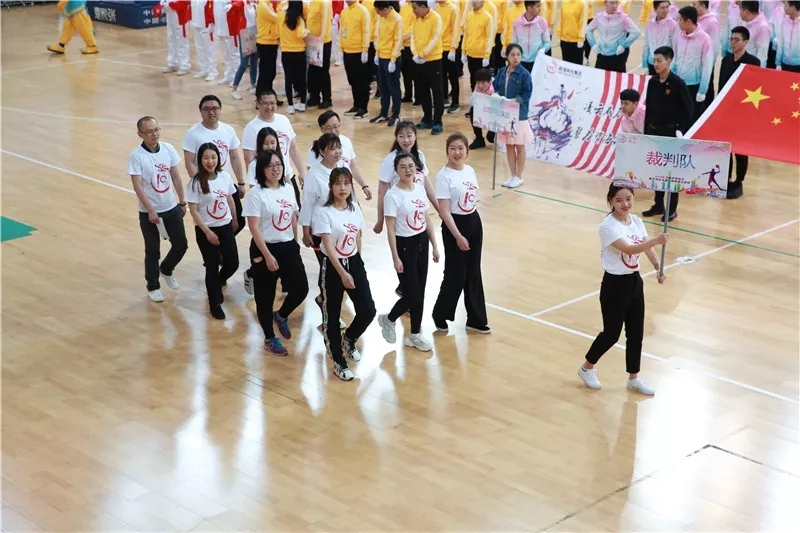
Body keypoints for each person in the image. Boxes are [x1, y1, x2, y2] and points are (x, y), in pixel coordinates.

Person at [578, 183, 668, 396]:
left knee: (636, 333)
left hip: (634, 281)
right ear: (611, 201)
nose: (625, 204)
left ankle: (633, 378)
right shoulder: (607, 227)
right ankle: (587, 368)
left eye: (628, 199)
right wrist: (657, 240)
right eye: (619, 200)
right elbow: (630, 249)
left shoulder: (636, 221)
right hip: (614, 285)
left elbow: (646, 247)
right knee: (611, 334)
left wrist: (657, 266)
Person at [243, 149, 309, 356]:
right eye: (270, 165)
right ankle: (269, 338)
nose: (275, 169)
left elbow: (293, 216)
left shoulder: (288, 188)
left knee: (301, 288)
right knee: (265, 296)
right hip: (265, 248)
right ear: (262, 169)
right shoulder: (256, 194)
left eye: (278, 164)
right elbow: (254, 228)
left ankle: (280, 315)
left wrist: (295, 241)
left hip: (288, 245)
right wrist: (267, 255)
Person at [315, 168, 377, 381]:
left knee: (368, 310)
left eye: (346, 183)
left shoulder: (354, 208)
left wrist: (357, 262)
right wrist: (342, 272)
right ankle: (338, 362)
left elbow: (358, 235)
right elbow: (328, 246)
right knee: (332, 317)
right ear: (331, 187)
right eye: (338, 184)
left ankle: (349, 339)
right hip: (333, 267)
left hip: (354, 261)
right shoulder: (324, 212)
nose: (342, 188)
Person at [378, 152, 440, 352]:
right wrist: (395, 257)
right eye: (403, 167)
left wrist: (434, 245)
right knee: (412, 294)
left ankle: (414, 335)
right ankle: (389, 319)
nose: (408, 170)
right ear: (396, 170)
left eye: (411, 166)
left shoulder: (419, 188)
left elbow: (426, 218)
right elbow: (390, 229)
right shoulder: (392, 196)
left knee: (420, 292)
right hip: (405, 246)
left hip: (422, 242)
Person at [431, 132, 490, 334]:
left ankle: (476, 319)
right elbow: (444, 211)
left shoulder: (470, 171)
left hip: (473, 221)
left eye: (461, 148)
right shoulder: (443, 176)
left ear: (467, 151)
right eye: (453, 149)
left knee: (474, 271)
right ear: (447, 151)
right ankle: (440, 314)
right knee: (456, 273)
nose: (457, 153)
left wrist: (472, 227)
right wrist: (457, 235)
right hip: (455, 226)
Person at [128, 116, 188, 303]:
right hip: (149, 212)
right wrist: (151, 210)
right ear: (140, 134)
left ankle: (167, 269)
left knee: (181, 245)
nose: (154, 134)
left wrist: (182, 201)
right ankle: (153, 286)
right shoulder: (137, 156)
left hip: (170, 206)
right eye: (149, 132)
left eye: (156, 130)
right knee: (152, 250)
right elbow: (137, 186)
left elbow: (176, 176)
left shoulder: (168, 149)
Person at [186, 143, 240, 320]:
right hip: (205, 229)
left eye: (213, 157)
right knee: (211, 265)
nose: (210, 161)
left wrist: (234, 219)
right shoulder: (195, 183)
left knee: (232, 263)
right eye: (206, 158)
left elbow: (230, 199)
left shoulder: (224, 176)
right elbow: (194, 211)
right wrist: (208, 232)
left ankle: (219, 281)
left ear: (218, 158)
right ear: (200, 160)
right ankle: (214, 303)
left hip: (225, 225)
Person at [301, 134, 347, 329]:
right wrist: (306, 231)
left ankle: (324, 301)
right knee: (328, 271)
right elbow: (307, 204)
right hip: (320, 230)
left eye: (338, 147)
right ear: (322, 151)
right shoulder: (314, 174)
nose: (337, 152)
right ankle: (328, 314)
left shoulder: (342, 168)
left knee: (338, 270)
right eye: (332, 148)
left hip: (340, 228)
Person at [641, 46, 692, 222]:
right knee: (656, 170)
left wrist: (680, 130)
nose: (656, 64)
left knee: (671, 173)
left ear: (669, 61)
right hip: (654, 132)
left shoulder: (678, 83)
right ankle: (658, 204)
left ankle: (672, 208)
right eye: (654, 60)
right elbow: (649, 109)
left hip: (670, 133)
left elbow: (688, 110)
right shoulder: (653, 82)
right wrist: (646, 133)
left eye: (659, 60)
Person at [183, 95, 246, 234]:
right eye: (206, 109)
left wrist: (241, 182)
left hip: (225, 183)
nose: (211, 112)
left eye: (215, 108)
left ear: (220, 110)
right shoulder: (193, 133)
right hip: (206, 186)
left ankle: (224, 244)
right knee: (212, 221)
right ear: (201, 111)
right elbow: (189, 162)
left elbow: (234, 157)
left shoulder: (228, 130)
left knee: (238, 220)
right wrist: (199, 184)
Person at [374, 120, 438, 235]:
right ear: (396, 138)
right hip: (401, 215)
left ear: (415, 136)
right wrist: (380, 221)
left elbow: (428, 187)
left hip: (419, 211)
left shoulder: (420, 156)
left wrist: (440, 210)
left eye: (409, 135)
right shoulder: (390, 160)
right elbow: (381, 194)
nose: (406, 140)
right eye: (401, 136)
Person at [242, 90, 306, 205]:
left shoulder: (284, 120)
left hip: (286, 176)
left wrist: (301, 171)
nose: (269, 107)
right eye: (265, 103)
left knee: (294, 210)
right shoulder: (251, 128)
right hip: (266, 182)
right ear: (257, 104)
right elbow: (249, 159)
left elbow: (293, 147)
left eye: (272, 103)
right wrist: (257, 184)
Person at [719, 26, 760, 199]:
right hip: (727, 110)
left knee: (741, 149)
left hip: (743, 112)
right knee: (726, 147)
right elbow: (721, 85)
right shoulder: (726, 60)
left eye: (737, 39)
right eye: (731, 39)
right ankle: (726, 178)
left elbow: (756, 88)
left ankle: (739, 180)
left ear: (745, 42)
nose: (733, 43)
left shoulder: (753, 62)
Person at [306, 110, 373, 201]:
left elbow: (352, 166)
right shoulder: (314, 150)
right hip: (328, 198)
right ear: (322, 129)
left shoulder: (346, 141)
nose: (333, 131)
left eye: (336, 126)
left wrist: (364, 186)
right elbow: (311, 177)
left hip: (347, 195)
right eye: (328, 128)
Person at [494, 43, 533, 189]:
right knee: (509, 145)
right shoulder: (502, 72)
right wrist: (496, 96)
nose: (516, 57)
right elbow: (496, 87)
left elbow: (527, 94)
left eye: (518, 55)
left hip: (518, 115)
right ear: (507, 56)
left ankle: (519, 176)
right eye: (513, 55)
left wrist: (514, 101)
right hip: (505, 115)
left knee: (519, 145)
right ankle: (512, 174)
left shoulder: (525, 74)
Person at [672, 6, 714, 124]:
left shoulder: (705, 40)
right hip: (678, 83)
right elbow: (675, 58)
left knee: (692, 118)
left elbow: (707, 66)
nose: (678, 22)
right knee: (678, 117)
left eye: (680, 20)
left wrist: (702, 90)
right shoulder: (679, 36)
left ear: (688, 21)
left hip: (694, 86)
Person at [410, 1, 445, 135]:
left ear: (423, 6)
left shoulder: (436, 18)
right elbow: (413, 36)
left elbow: (435, 38)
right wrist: (415, 53)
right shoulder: (417, 19)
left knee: (437, 91)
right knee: (423, 90)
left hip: (433, 60)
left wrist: (423, 53)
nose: (413, 11)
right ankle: (427, 118)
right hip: (419, 60)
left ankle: (437, 121)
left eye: (415, 8)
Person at [371, 1, 404, 126]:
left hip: (391, 58)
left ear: (384, 9)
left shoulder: (397, 19)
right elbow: (378, 36)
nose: (377, 14)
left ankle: (395, 114)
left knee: (393, 87)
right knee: (383, 86)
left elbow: (398, 40)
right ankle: (383, 112)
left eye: (378, 11)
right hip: (381, 56)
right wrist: (377, 53)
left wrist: (393, 59)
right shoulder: (381, 18)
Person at [584, 0, 640, 72]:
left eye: (616, 3)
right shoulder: (599, 17)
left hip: (617, 55)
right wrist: (593, 44)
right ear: (605, 3)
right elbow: (588, 30)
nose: (614, 5)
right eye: (611, 3)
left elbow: (636, 32)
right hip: (602, 55)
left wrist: (623, 45)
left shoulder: (623, 18)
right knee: (599, 78)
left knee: (617, 79)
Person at [340, 0, 372, 119]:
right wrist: (342, 47)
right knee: (352, 80)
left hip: (359, 51)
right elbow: (342, 30)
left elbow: (366, 31)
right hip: (347, 51)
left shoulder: (362, 11)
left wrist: (365, 49)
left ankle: (363, 107)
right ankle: (356, 104)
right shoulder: (344, 12)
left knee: (362, 81)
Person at [278, 0, 310, 113]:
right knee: (302, 78)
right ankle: (302, 103)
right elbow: (300, 34)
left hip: (286, 52)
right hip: (299, 52)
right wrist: (307, 31)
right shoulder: (299, 19)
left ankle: (290, 105)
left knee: (288, 79)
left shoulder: (281, 17)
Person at [510, 0, 551, 72]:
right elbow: (514, 43)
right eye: (537, 6)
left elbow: (547, 42)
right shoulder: (517, 23)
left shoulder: (542, 22)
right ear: (529, 8)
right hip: (521, 61)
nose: (540, 9)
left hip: (537, 61)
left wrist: (543, 49)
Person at [436, 0, 461, 114]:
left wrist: (453, 48)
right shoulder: (437, 8)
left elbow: (456, 30)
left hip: (450, 48)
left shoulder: (453, 8)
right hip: (439, 47)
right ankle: (444, 98)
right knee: (441, 75)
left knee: (453, 76)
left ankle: (455, 102)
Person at [230, 0, 258, 101]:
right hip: (245, 34)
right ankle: (234, 89)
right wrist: (231, 5)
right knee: (244, 64)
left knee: (254, 61)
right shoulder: (243, 3)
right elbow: (236, 4)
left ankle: (253, 84)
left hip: (254, 33)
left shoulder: (255, 4)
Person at [694, 1, 721, 101]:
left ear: (703, 6)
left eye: (695, 5)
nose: (693, 7)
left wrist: (709, 64)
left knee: (707, 88)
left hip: (706, 64)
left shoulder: (712, 22)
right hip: (695, 63)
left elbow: (715, 46)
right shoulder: (695, 19)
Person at [642, 1, 678, 75]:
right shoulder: (649, 24)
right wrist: (644, 65)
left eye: (667, 7)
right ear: (655, 9)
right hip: (651, 63)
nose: (665, 10)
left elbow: (675, 47)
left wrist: (672, 67)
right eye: (662, 8)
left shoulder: (673, 25)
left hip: (665, 65)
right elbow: (646, 45)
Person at [213, 0, 242, 87]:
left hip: (231, 30)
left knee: (234, 55)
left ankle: (236, 78)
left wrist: (233, 5)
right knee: (226, 56)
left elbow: (240, 3)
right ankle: (228, 76)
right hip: (219, 29)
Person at [255, 0, 281, 99]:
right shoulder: (263, 5)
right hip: (265, 43)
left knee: (270, 73)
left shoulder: (268, 4)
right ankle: (260, 97)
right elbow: (277, 18)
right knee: (265, 73)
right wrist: (281, 7)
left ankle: (269, 97)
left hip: (271, 42)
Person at [161, 0, 192, 75]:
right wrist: (161, 5)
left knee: (182, 42)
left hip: (180, 18)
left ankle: (185, 66)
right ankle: (172, 63)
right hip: (170, 17)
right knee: (171, 41)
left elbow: (182, 4)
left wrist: (168, 4)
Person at [556, 0, 590, 65]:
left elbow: (583, 22)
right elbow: (561, 20)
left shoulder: (582, 3)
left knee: (576, 66)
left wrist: (581, 39)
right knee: (566, 65)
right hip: (564, 40)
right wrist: (559, 35)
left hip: (576, 41)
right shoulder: (564, 3)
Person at [468, 68, 495, 150]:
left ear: (489, 82)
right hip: (483, 108)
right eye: (478, 83)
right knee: (472, 111)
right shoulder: (477, 87)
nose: (480, 85)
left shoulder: (496, 86)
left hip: (494, 112)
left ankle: (493, 132)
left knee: (490, 137)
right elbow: (472, 101)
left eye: (483, 83)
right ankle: (479, 138)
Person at [738, 1, 771, 67]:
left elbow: (762, 54)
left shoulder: (762, 27)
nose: (739, 13)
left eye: (740, 10)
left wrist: (757, 71)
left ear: (746, 12)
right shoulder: (746, 21)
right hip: (741, 63)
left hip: (750, 66)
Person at [776, 1, 800, 72]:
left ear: (793, 8)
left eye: (786, 6)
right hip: (784, 64)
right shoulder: (784, 22)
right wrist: (778, 63)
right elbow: (781, 43)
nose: (784, 8)